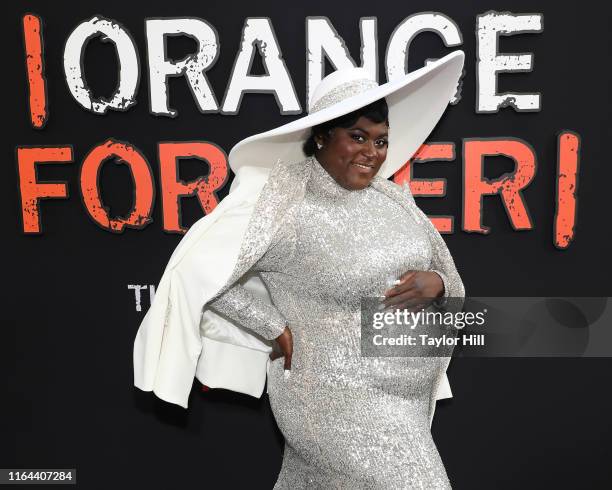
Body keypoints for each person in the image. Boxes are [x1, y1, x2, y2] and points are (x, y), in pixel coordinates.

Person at [134, 51, 466, 488]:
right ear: (323, 137)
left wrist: (437, 283)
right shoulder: (284, 201)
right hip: (328, 397)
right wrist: (269, 325)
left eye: (381, 140)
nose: (372, 152)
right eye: (358, 136)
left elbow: (454, 284)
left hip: (407, 397)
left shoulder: (395, 200)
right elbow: (198, 269)